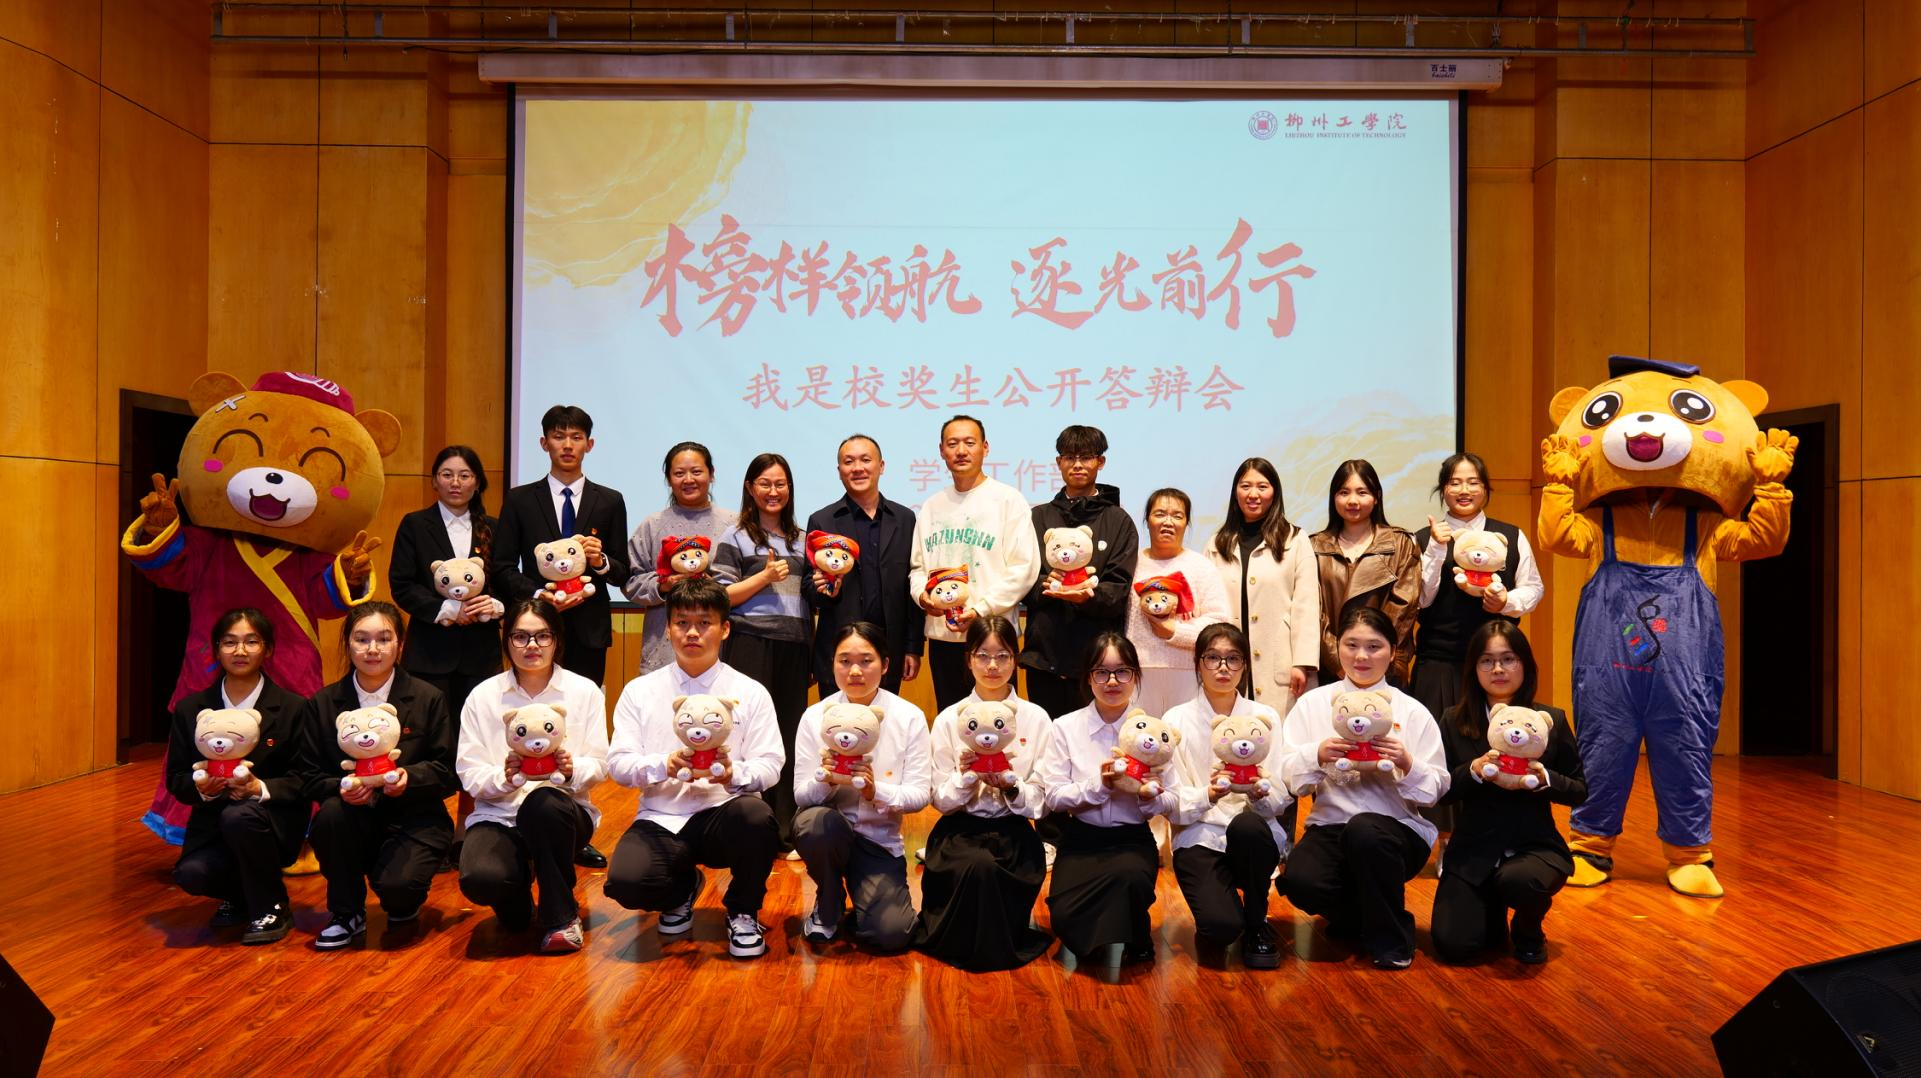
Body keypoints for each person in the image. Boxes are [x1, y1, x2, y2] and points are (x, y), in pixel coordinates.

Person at [604, 577, 784, 959]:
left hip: (724, 811)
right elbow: (618, 764)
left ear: (725, 628)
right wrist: (663, 765)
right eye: (682, 622)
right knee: (626, 882)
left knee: (757, 818)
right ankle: (681, 889)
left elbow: (771, 765)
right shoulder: (640, 691)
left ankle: (743, 911)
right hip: (662, 815)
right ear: (668, 628)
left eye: (704, 623)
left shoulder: (750, 692)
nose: (692, 632)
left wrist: (733, 773)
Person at [1277, 607, 1447, 970]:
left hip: (1397, 832)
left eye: (1374, 646)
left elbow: (1435, 788)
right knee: (1302, 882)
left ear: (1393, 650)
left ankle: (1392, 940)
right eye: (1351, 645)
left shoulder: (1411, 711)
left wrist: (1407, 762)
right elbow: (1287, 777)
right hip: (1331, 827)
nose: (1361, 656)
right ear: (1337, 647)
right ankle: (1360, 916)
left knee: (1366, 831)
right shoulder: (1314, 704)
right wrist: (1316, 754)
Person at [297, 600, 458, 950]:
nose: (373, 649)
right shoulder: (322, 704)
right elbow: (308, 777)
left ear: (400, 644)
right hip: (351, 817)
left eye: (384, 639)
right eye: (362, 639)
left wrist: (408, 779)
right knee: (331, 815)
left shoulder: (427, 698)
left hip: (415, 818)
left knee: (400, 895)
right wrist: (341, 787)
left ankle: (399, 891)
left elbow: (447, 771)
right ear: (348, 644)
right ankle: (346, 913)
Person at [456, 599, 609, 954]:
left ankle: (561, 917)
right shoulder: (483, 696)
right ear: (506, 640)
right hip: (500, 814)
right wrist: (506, 777)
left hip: (563, 815)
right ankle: (518, 892)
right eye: (520, 636)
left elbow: (601, 764)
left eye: (542, 636)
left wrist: (571, 769)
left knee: (543, 804)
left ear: (557, 640)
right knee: (481, 879)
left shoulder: (583, 691)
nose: (532, 645)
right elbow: (469, 772)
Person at [1432, 622, 1586, 965]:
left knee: (1520, 881)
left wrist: (1545, 777)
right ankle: (1489, 909)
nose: (1498, 669)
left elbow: (1579, 790)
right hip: (1472, 851)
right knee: (1456, 947)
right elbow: (1440, 792)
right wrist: (1473, 770)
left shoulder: (1550, 720)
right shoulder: (1454, 720)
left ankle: (1528, 929)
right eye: (1486, 661)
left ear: (1525, 665)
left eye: (1508, 659)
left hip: (1534, 847)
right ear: (1473, 669)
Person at [914, 615, 1055, 971]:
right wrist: (965, 778)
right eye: (983, 655)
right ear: (969, 660)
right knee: (977, 866)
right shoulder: (950, 718)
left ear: (1015, 660)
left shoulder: (1036, 717)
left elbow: (1041, 802)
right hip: (959, 831)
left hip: (1014, 833)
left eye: (1003, 656)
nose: (993, 666)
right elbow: (940, 801)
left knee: (989, 868)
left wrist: (1011, 785)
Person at [389, 445, 505, 869]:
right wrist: (446, 609)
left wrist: (498, 606)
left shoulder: (494, 527)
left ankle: (465, 832)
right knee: (427, 744)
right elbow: (401, 584)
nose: (456, 483)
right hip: (428, 653)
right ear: (434, 480)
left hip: (481, 655)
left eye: (465, 475)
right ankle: (429, 831)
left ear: (478, 482)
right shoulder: (414, 524)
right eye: (447, 474)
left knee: (476, 742)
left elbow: (507, 580)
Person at [166, 609, 310, 944]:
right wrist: (204, 788)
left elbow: (304, 778)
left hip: (270, 822)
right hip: (213, 827)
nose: (240, 651)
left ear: (268, 649)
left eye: (251, 642)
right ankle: (244, 895)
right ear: (217, 650)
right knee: (191, 875)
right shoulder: (192, 709)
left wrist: (258, 788)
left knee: (240, 815)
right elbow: (176, 778)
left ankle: (272, 906)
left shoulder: (293, 708)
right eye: (229, 642)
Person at [1036, 633, 1174, 965]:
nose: (1112, 681)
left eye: (1122, 671)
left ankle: (1135, 930)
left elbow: (1174, 799)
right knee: (1064, 918)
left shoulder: (1153, 732)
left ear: (1135, 676)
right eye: (1101, 672)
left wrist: (1149, 796)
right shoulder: (1065, 727)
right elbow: (1054, 797)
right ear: (1088, 677)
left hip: (1132, 838)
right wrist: (1100, 786)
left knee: (1128, 877)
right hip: (1081, 838)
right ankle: (1123, 926)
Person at [792, 623, 931, 951]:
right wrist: (826, 779)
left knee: (892, 934)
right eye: (844, 661)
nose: (854, 671)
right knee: (814, 823)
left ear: (885, 665)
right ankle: (828, 899)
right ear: (832, 664)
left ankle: (864, 897)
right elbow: (800, 794)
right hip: (829, 831)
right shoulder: (815, 716)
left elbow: (919, 795)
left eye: (866, 661)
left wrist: (874, 791)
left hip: (878, 840)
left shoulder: (908, 717)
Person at [1166, 623, 1289, 969]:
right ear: (1198, 663)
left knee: (1247, 827)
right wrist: (1208, 794)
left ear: (1244, 665)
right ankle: (1226, 912)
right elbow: (1173, 802)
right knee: (1220, 928)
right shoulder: (1176, 719)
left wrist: (1260, 790)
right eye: (1213, 658)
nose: (1223, 667)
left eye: (1233, 658)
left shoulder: (1264, 717)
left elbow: (1281, 798)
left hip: (1253, 834)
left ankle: (1257, 920)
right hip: (1201, 834)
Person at [711, 452, 813, 856]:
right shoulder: (734, 536)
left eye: (780, 484)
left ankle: (784, 831)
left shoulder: (803, 539)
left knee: (788, 735)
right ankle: (749, 827)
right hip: (750, 643)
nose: (773, 491)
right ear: (750, 489)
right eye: (765, 484)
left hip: (795, 646)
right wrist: (764, 576)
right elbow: (721, 596)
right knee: (749, 736)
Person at [492, 405, 631, 688]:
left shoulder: (610, 501)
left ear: (589, 444)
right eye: (558, 436)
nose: (568, 445)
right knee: (531, 702)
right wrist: (538, 594)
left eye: (577, 437)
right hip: (534, 624)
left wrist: (600, 561)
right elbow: (502, 567)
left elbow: (622, 572)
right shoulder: (519, 500)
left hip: (589, 629)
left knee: (584, 704)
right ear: (544, 443)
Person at [909, 415, 1041, 713]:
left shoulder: (1008, 500)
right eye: (952, 443)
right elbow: (918, 568)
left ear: (985, 447)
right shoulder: (931, 505)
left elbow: (1024, 568)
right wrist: (922, 596)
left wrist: (980, 609)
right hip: (944, 637)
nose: (961, 451)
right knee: (951, 720)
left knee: (1000, 720)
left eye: (969, 443)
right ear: (941, 450)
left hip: (993, 636)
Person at [1411, 452, 1543, 725]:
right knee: (1436, 742)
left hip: (1497, 663)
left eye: (1473, 483)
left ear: (1485, 488)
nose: (1464, 490)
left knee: (1501, 739)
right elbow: (1421, 599)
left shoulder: (1510, 536)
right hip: (1439, 663)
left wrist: (1506, 602)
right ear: (1443, 489)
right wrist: (1436, 548)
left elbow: (1533, 587)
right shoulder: (1423, 538)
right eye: (1454, 483)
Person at [1019, 425, 1140, 718]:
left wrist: (1088, 595)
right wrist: (1044, 584)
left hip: (1098, 663)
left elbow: (1119, 586)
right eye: (1069, 457)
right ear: (1058, 462)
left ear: (1100, 462)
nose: (1077, 465)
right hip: (1044, 657)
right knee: (1046, 738)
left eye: (1086, 457)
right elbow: (1021, 577)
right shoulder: (1037, 517)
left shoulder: (1118, 521)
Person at [806, 434, 924, 695]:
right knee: (837, 720)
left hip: (888, 651)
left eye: (865, 460)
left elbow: (913, 583)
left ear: (881, 466)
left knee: (886, 719)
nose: (857, 468)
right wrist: (824, 589)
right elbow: (808, 587)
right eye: (849, 462)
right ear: (839, 471)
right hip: (839, 653)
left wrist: (913, 647)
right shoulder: (822, 520)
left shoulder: (905, 519)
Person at [1205, 458, 1319, 715]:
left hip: (1281, 663)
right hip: (1227, 664)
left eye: (1262, 486)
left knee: (1279, 732)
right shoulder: (1217, 544)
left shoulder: (1295, 540)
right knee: (1229, 733)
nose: (1253, 494)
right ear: (1235, 492)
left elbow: (1307, 605)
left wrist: (1302, 663)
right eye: (1245, 486)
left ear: (1274, 492)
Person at [622, 441, 738, 677]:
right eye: (679, 473)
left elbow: (743, 581)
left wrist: (714, 587)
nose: (688, 479)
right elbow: (630, 581)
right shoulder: (652, 525)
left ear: (711, 474)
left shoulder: (734, 524)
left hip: (721, 648)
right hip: (662, 647)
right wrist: (663, 585)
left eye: (696, 471)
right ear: (668, 479)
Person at [1310, 460, 1421, 687]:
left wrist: (1373, 653)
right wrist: (1340, 660)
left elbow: (1404, 606)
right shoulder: (1314, 546)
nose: (1353, 500)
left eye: (1362, 492)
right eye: (1344, 492)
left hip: (1385, 668)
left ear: (1376, 497)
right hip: (1331, 671)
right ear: (1333, 497)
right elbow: (1311, 610)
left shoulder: (1400, 543)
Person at [1128, 488, 1232, 716]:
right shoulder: (1131, 563)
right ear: (1147, 520)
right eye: (1160, 514)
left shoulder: (1201, 566)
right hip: (1136, 670)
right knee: (1140, 733)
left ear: (1186, 523)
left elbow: (1219, 623)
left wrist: (1174, 631)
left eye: (1177, 515)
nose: (1168, 522)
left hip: (1188, 672)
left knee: (1185, 734)